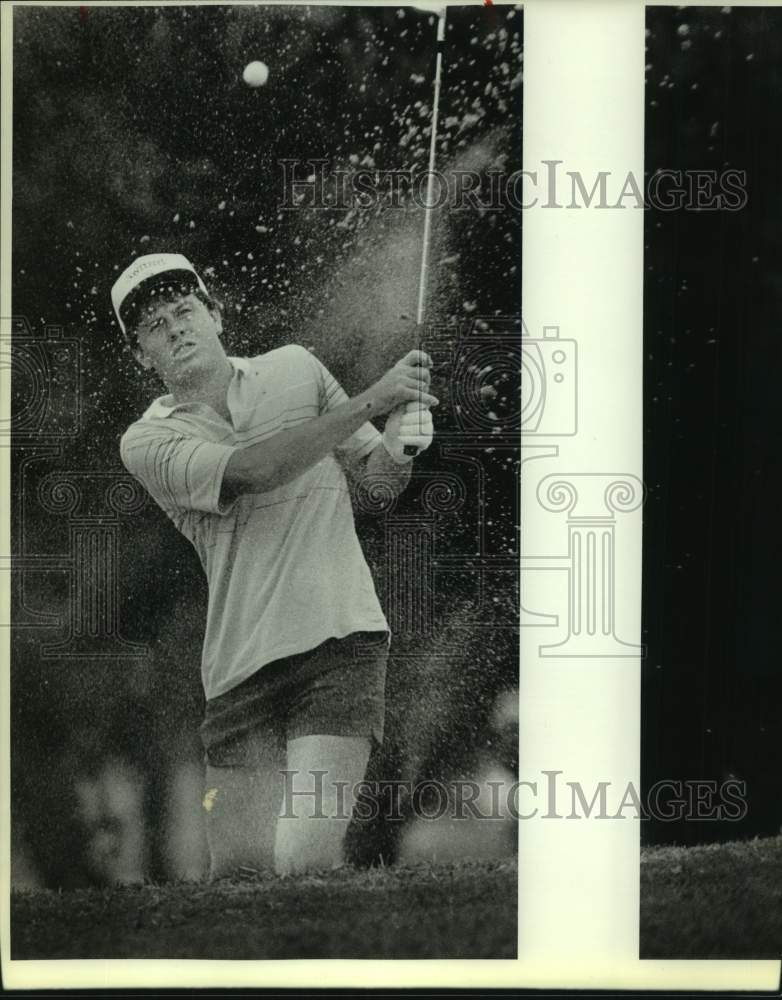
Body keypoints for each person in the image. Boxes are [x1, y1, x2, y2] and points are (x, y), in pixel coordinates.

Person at [112, 253, 436, 877]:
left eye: (184, 310)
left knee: (303, 861)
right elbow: (258, 471)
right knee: (239, 878)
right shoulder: (146, 441)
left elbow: (375, 485)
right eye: (153, 325)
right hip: (238, 673)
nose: (175, 328)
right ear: (140, 356)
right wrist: (375, 397)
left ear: (216, 315)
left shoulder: (296, 368)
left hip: (340, 643)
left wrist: (398, 438)